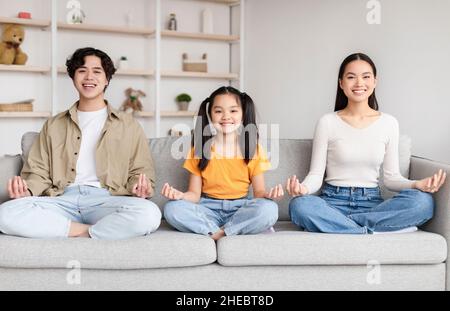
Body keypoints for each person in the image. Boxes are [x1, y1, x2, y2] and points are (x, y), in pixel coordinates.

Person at [0, 47, 161, 239]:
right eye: (82, 71)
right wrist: (27, 190)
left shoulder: (129, 125)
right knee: (6, 214)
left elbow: (140, 170)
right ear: (73, 78)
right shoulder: (53, 124)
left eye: (97, 71)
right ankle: (89, 231)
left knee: (150, 214)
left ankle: (69, 230)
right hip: (61, 199)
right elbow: (38, 171)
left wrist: (140, 186)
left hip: (107, 200)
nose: (89, 77)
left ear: (107, 79)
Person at [287, 53, 446, 234]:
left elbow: (392, 178)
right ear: (341, 83)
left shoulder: (389, 123)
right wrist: (303, 188)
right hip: (332, 202)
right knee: (300, 205)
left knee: (423, 202)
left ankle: (342, 226)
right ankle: (371, 229)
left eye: (366, 76)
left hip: (372, 204)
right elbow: (316, 174)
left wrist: (416, 184)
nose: (359, 83)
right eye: (351, 77)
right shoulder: (327, 122)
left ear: (375, 81)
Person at [162, 86, 282, 241]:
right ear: (210, 115)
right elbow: (194, 194)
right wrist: (180, 196)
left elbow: (259, 193)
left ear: (243, 113)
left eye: (233, 111)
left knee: (269, 209)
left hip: (241, 209)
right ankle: (225, 232)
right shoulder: (199, 150)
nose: (226, 116)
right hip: (207, 209)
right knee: (172, 208)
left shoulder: (253, 149)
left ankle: (220, 233)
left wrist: (268, 195)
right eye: (218, 111)